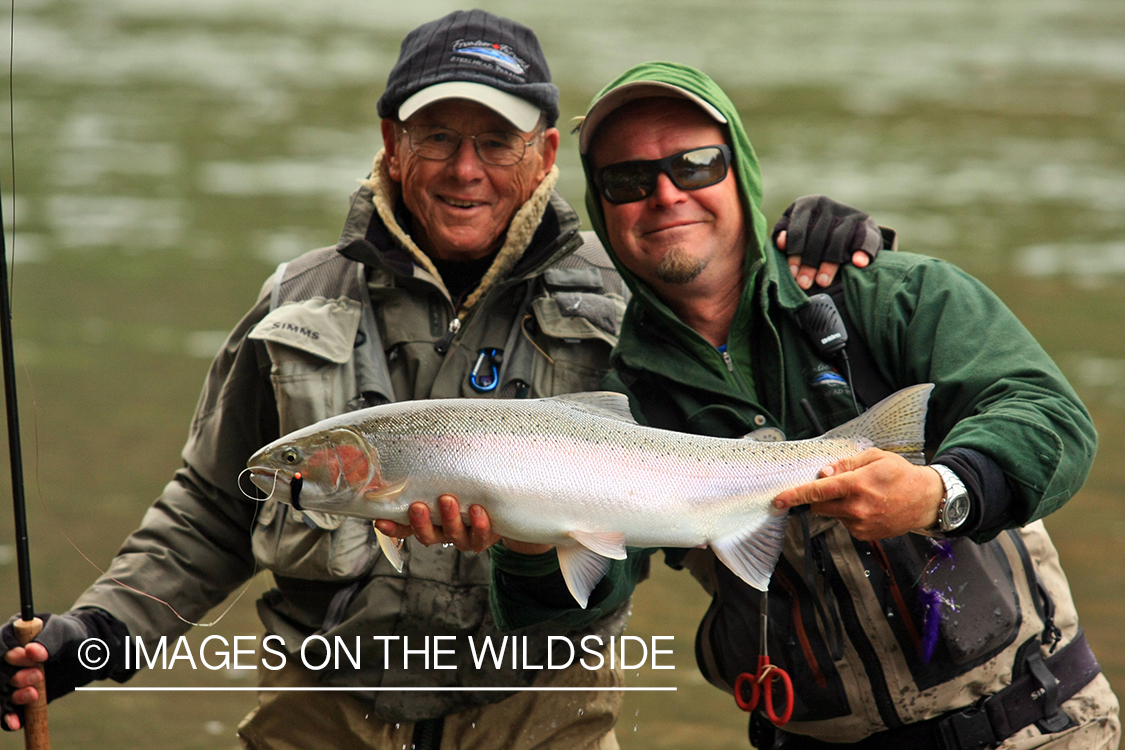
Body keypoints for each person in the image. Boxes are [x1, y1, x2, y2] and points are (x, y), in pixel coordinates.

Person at [0, 14, 877, 750]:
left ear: (540, 156)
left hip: (541, 720)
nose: (466, 169)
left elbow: (758, 364)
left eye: (496, 141)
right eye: (439, 138)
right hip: (321, 714)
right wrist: (91, 640)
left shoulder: (629, 307)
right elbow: (209, 510)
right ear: (392, 143)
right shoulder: (294, 302)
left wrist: (825, 254)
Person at [486, 62, 1121, 749]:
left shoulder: (889, 293)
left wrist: (940, 491)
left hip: (1035, 728)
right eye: (628, 181)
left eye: (695, 165)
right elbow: (574, 621)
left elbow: (1048, 415)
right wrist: (525, 546)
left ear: (741, 173)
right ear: (603, 210)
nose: (665, 195)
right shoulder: (625, 392)